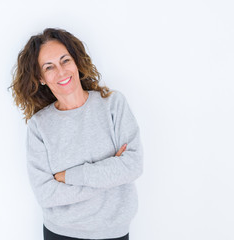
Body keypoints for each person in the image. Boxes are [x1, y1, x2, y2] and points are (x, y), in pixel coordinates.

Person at [10, 28, 143, 240]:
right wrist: (109, 176)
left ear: (76, 61)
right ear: (40, 77)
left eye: (65, 60)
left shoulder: (113, 105)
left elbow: (133, 165)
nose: (61, 71)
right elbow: (46, 194)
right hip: (60, 233)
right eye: (49, 67)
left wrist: (68, 177)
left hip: (114, 232)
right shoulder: (39, 126)